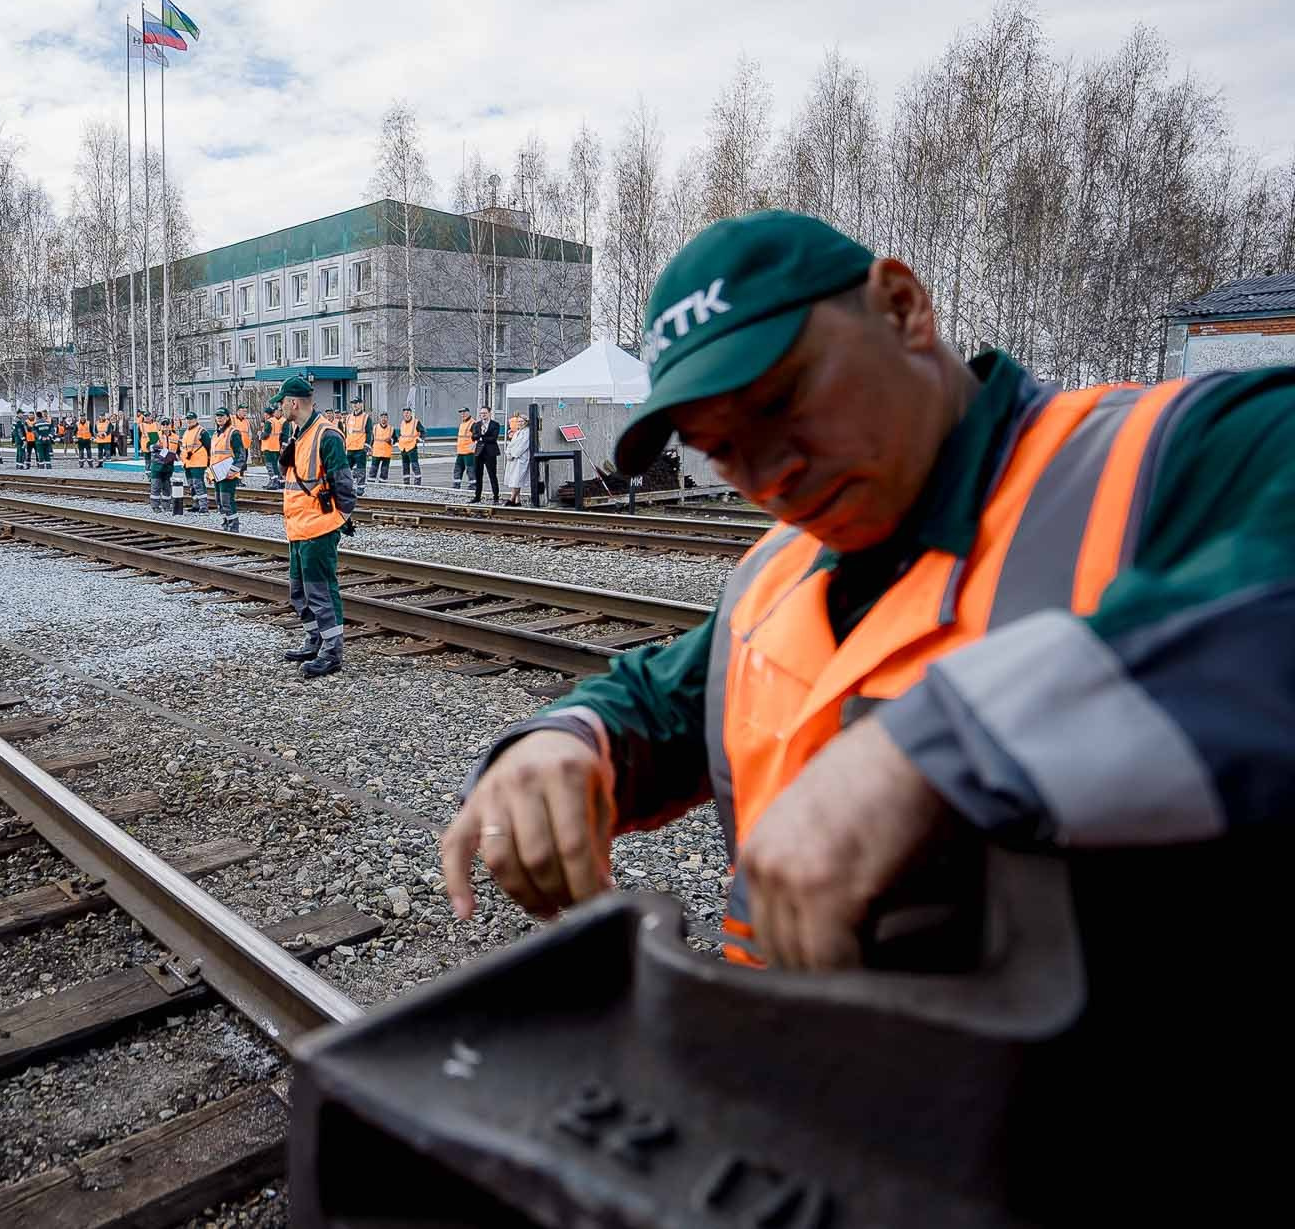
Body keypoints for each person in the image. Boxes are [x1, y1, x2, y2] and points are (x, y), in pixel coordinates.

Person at [441, 207, 1295, 982]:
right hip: (825, 1108)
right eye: (722, 449)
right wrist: (564, 741)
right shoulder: (780, 573)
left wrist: (940, 750)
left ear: (901, 306)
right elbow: (661, 697)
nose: (770, 474)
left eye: (785, 399)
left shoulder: (1176, 455)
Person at [276, 375, 358, 678]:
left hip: (318, 528)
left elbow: (344, 487)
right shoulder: (300, 433)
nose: (280, 408)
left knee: (321, 591)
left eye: (282, 403)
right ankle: (314, 640)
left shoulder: (327, 435)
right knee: (299, 592)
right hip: (299, 528)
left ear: (293, 403)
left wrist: (337, 520)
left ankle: (331, 652)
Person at [210, 406, 246, 532]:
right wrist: (210, 473)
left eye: (222, 416)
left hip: (228, 473)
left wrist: (233, 470)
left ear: (227, 417)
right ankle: (226, 521)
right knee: (219, 500)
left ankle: (233, 524)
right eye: (217, 416)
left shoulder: (233, 432)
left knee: (227, 499)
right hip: (218, 474)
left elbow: (241, 455)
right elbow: (214, 456)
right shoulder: (216, 434)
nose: (219, 418)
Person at [179, 411, 212, 512]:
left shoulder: (201, 432)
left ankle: (203, 506)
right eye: (188, 419)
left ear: (196, 419)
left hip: (198, 462)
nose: (189, 421)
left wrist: (209, 462)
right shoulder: (186, 432)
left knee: (198, 484)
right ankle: (196, 504)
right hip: (188, 463)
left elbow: (208, 447)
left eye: (191, 419)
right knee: (191, 485)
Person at [469, 406, 502, 503]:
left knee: (492, 475)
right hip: (479, 452)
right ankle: (477, 496)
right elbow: (473, 436)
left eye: (485, 413)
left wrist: (481, 437)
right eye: (481, 413)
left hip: (490, 452)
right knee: (478, 475)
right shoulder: (477, 424)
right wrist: (480, 436)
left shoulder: (495, 424)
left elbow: (493, 438)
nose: (483, 415)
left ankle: (496, 497)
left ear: (489, 413)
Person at [149, 416, 180, 513]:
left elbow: (178, 450)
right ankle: (155, 506)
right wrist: (155, 446)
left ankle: (166, 505)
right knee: (156, 486)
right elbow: (148, 448)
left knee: (167, 487)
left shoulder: (175, 437)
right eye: (163, 424)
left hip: (168, 466)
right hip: (157, 466)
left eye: (167, 424)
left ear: (170, 425)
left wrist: (178, 456)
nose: (165, 426)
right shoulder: (155, 435)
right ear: (160, 426)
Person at [503, 411, 532, 507]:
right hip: (513, 459)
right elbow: (511, 444)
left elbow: (523, 446)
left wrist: (514, 454)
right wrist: (508, 453)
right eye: (518, 421)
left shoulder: (527, 432)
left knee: (517, 479)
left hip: (520, 459)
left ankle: (511, 499)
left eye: (521, 421)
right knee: (514, 480)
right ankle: (517, 500)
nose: (519, 423)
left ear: (526, 422)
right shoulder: (517, 432)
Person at [344, 397, 371, 489]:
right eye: (353, 403)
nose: (354, 405)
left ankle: (360, 487)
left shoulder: (366, 417)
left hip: (360, 448)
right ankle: (346, 487)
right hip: (350, 448)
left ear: (361, 404)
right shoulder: (348, 417)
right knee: (346, 469)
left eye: (356, 403)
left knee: (361, 469)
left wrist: (367, 445)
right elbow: (346, 432)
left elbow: (369, 432)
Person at [260, 400, 286, 489]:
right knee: (275, 465)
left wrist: (260, 435)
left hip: (268, 446)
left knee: (270, 465)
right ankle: (279, 482)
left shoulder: (269, 422)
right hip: (276, 446)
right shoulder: (278, 422)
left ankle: (274, 482)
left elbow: (266, 435)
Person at [396, 407, 423, 486]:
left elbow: (423, 431)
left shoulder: (416, 422)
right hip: (403, 448)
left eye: (408, 412)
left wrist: (420, 438)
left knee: (414, 465)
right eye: (405, 413)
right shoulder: (402, 423)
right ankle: (406, 483)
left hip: (412, 447)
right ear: (403, 414)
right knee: (405, 466)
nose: (406, 414)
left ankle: (417, 483)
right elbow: (402, 434)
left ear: (411, 413)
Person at [451, 407, 476, 489]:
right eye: (461, 413)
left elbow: (477, 437)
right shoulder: (462, 424)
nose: (463, 414)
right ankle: (456, 485)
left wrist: (473, 447)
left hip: (469, 452)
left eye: (464, 412)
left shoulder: (473, 423)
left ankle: (473, 485)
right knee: (457, 469)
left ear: (468, 413)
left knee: (470, 470)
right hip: (461, 451)